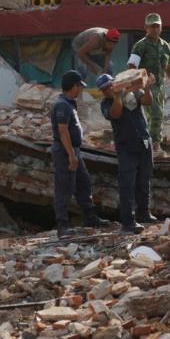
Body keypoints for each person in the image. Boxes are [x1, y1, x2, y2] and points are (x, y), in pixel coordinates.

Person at [50, 70, 110, 238]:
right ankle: (62, 225)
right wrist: (71, 155)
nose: (81, 90)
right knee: (64, 188)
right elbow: (63, 131)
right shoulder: (62, 105)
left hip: (74, 150)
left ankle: (90, 217)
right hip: (65, 151)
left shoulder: (69, 103)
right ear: (74, 86)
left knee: (83, 182)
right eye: (79, 86)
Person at [97, 73, 159, 235]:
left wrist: (147, 87)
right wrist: (117, 96)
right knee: (127, 184)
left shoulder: (132, 93)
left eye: (110, 86)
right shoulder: (106, 104)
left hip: (143, 141)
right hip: (126, 147)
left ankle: (144, 213)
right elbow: (116, 113)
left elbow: (147, 101)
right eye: (105, 89)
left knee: (144, 179)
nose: (108, 90)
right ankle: (128, 222)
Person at [128, 13, 170, 155]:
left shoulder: (165, 46)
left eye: (157, 26)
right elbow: (132, 66)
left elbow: (168, 68)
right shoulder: (140, 45)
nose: (155, 29)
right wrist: (140, 83)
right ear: (146, 28)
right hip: (146, 87)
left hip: (160, 87)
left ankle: (145, 144)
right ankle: (155, 146)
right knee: (156, 114)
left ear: (161, 27)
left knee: (154, 116)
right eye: (152, 26)